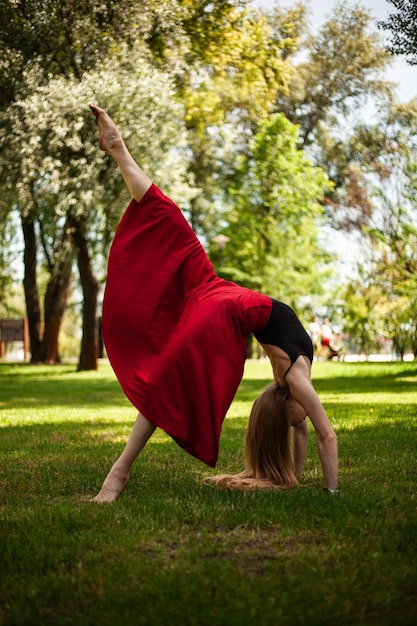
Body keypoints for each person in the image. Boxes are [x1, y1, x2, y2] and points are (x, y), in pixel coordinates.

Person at [89, 104, 338, 502]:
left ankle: (121, 150)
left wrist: (293, 476)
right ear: (294, 403)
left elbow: (304, 430)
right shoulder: (294, 381)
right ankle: (117, 474)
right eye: (293, 422)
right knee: (168, 377)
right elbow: (325, 433)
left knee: (171, 224)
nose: (297, 425)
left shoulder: (293, 381)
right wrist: (330, 492)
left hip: (222, 292)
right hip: (227, 304)